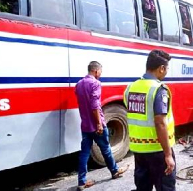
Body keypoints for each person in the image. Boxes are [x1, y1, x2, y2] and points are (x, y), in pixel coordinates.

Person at [124, 50, 176, 191]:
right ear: (161, 68)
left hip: (139, 150)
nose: (166, 73)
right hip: (158, 151)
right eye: (167, 69)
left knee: (143, 187)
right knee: (166, 188)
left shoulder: (131, 88)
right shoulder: (159, 90)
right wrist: (168, 154)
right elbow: (160, 123)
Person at [75, 61, 126, 190]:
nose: (100, 75)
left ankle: (81, 182)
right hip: (96, 125)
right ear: (96, 71)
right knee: (106, 149)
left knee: (84, 153)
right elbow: (94, 106)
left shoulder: (79, 84)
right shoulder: (96, 83)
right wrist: (98, 124)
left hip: (85, 125)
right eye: (100, 72)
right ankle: (114, 171)